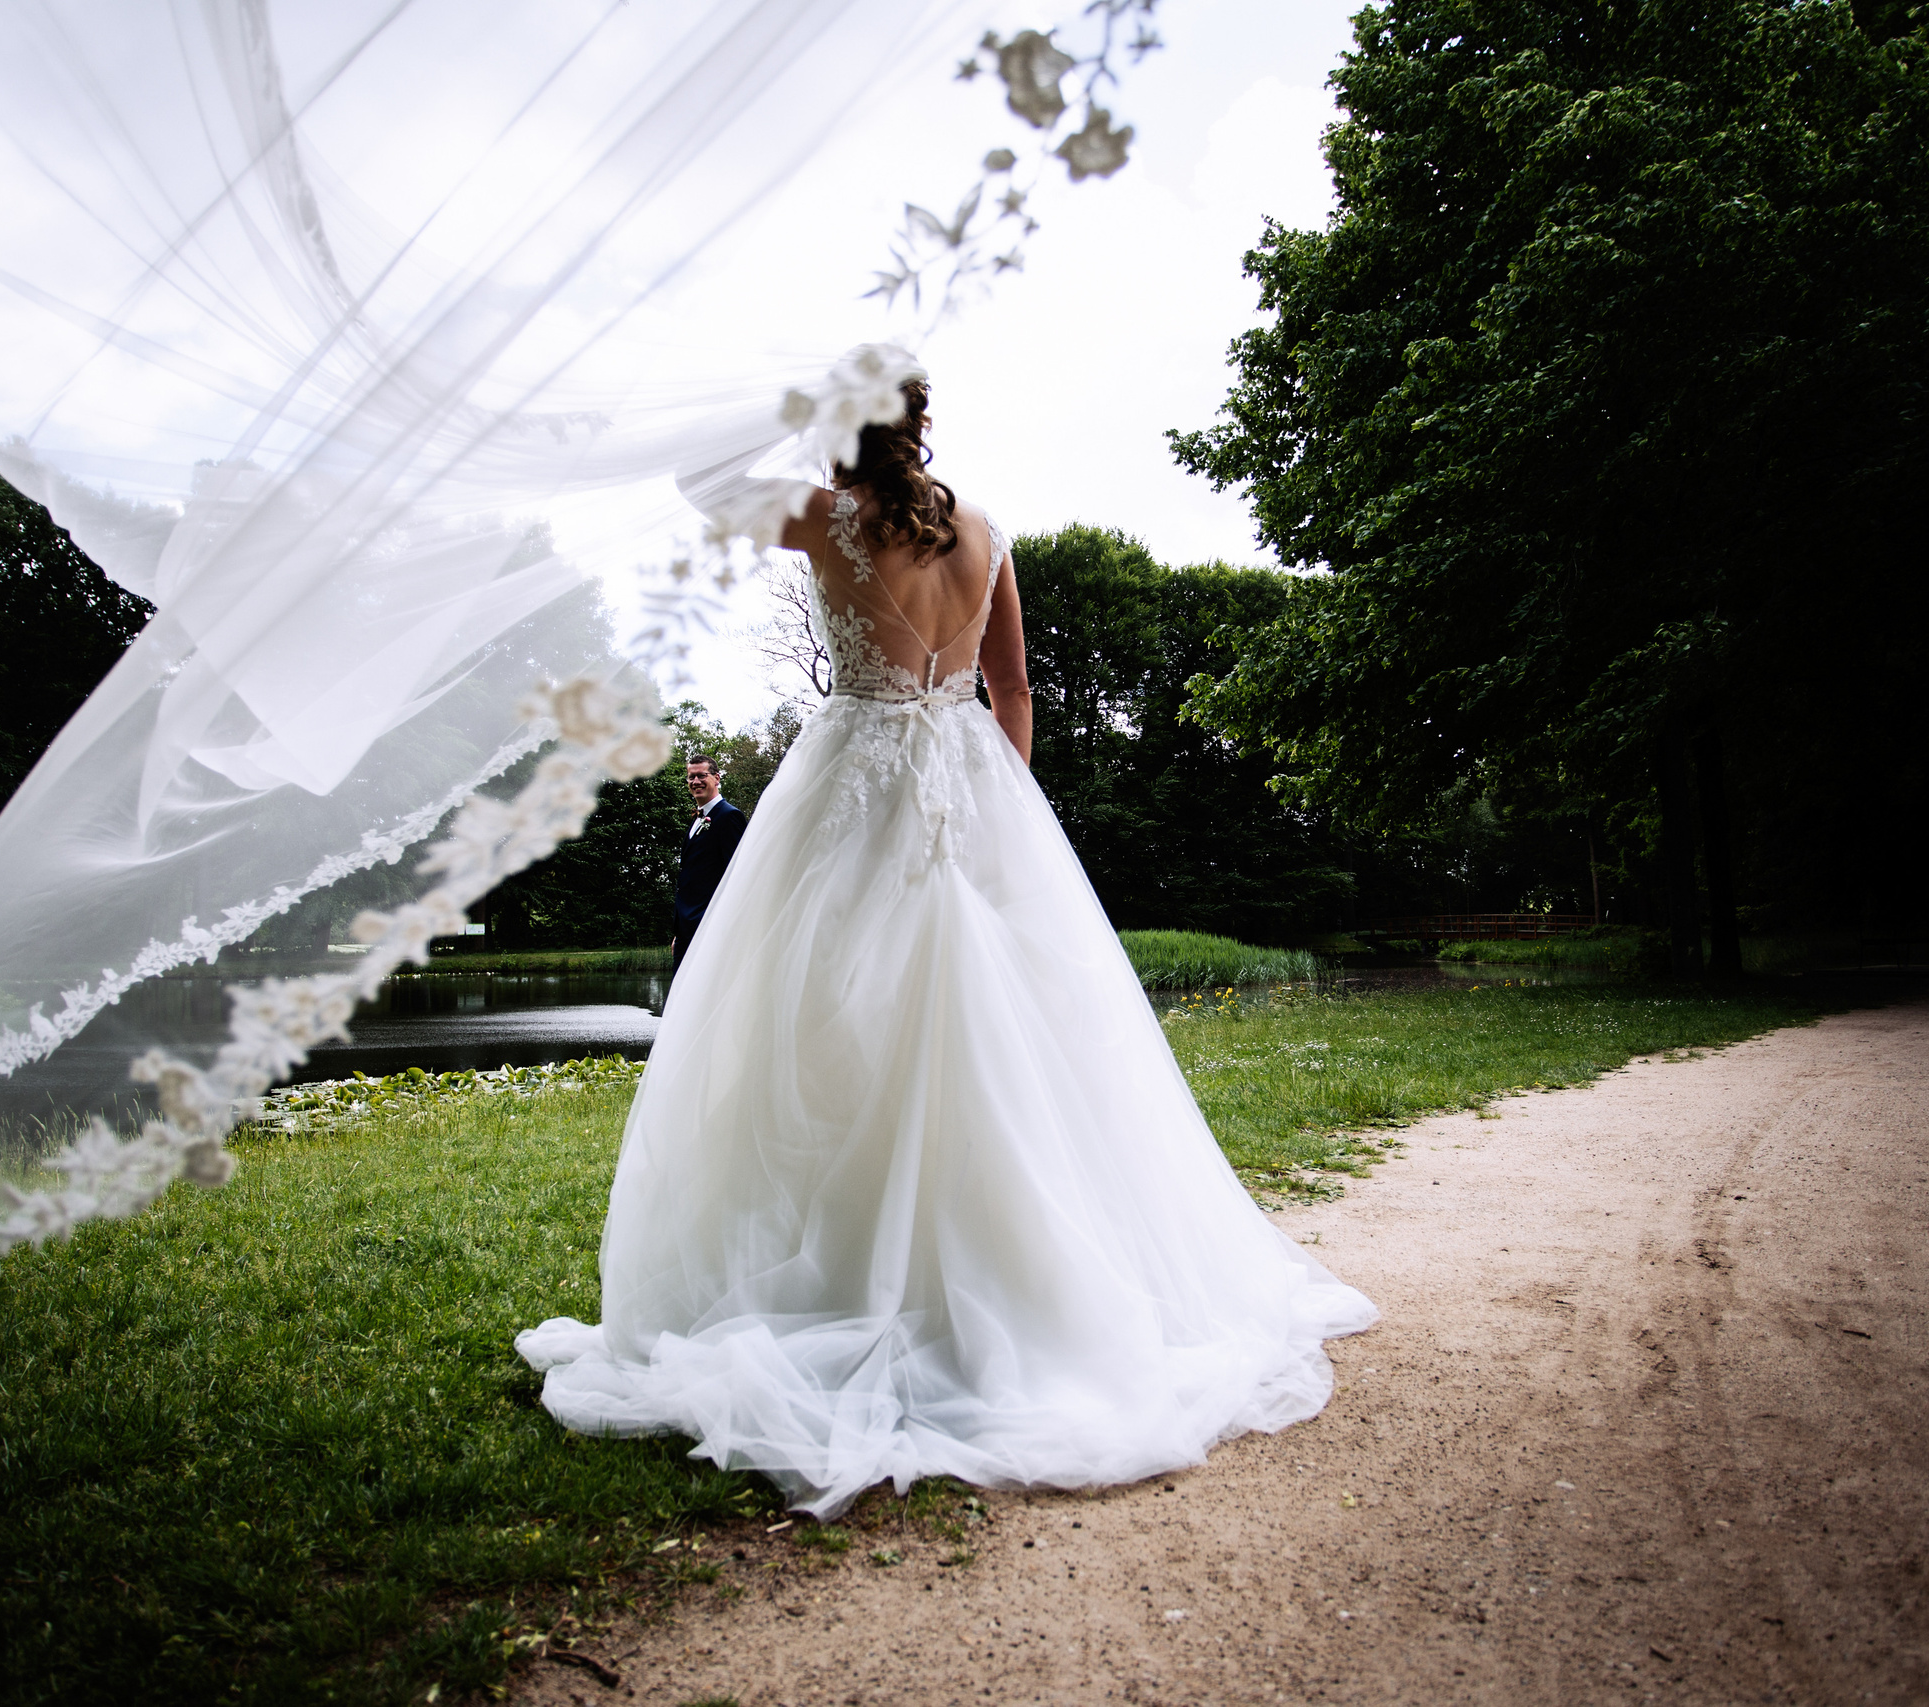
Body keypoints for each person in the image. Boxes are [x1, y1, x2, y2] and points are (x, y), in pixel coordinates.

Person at [518, 374, 1376, 1517]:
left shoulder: (829, 524)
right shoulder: (987, 532)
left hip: (851, 796)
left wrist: (776, 408)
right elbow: (1012, 687)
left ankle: (836, 1278)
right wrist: (993, 812)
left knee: (820, 1029)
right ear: (919, 429)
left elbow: (696, 483)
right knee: (1006, 1040)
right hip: (969, 783)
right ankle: (1011, 1291)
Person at [672, 754, 748, 968]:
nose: (695, 782)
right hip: (687, 927)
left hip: (709, 925)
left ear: (716, 777)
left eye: (701, 776)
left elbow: (736, 875)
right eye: (690, 777)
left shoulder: (729, 816)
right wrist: (680, 933)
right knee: (681, 995)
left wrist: (719, 927)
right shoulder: (697, 819)